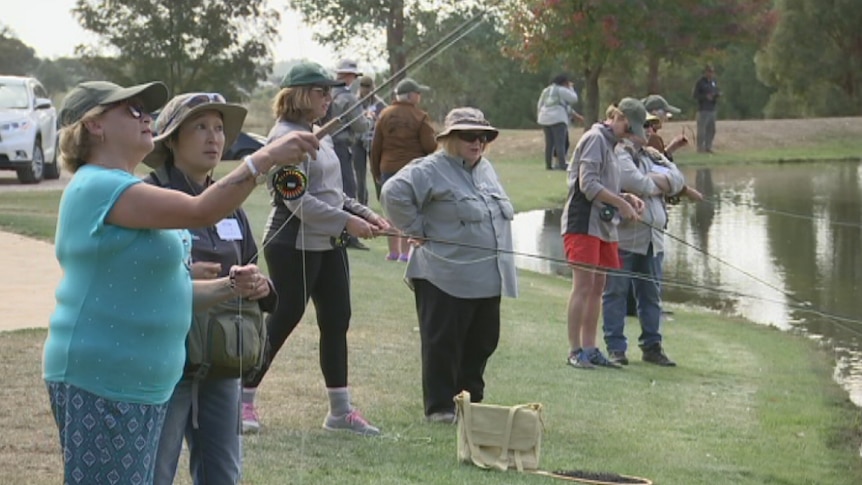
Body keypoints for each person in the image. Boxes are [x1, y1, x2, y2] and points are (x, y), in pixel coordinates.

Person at [43, 80, 317, 484]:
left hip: (139, 382)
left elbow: (164, 293)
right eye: (133, 110)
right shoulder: (98, 185)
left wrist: (229, 288)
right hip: (104, 379)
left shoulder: (124, 189)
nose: (147, 118)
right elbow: (201, 211)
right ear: (95, 125)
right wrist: (265, 159)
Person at [240, 61, 389, 436]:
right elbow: (298, 202)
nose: (329, 97)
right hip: (293, 244)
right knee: (285, 317)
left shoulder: (316, 133)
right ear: (302, 95)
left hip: (328, 241)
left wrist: (367, 214)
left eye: (330, 92)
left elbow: (333, 193)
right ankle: (241, 400)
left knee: (337, 319)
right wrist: (347, 222)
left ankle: (340, 411)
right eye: (322, 91)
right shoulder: (284, 139)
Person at [142, 93, 277, 485]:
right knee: (155, 471)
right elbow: (134, 277)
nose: (213, 138)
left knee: (223, 473)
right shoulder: (149, 196)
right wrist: (184, 274)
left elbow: (259, 275)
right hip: (167, 361)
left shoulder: (231, 204)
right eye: (199, 127)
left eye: (219, 128)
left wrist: (257, 284)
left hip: (223, 362)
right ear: (170, 139)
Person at [380, 107, 518, 423]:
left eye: (483, 136)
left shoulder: (486, 169)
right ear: (450, 138)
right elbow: (392, 192)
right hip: (444, 275)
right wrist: (415, 228)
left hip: (487, 276)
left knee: (483, 340)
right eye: (469, 135)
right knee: (442, 342)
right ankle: (440, 407)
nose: (477, 142)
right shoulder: (429, 168)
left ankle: (469, 401)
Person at [602, 116, 703, 368]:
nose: (649, 131)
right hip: (624, 238)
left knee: (651, 296)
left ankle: (652, 347)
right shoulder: (620, 152)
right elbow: (631, 181)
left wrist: (651, 183)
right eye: (644, 126)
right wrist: (657, 184)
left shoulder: (653, 156)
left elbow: (677, 179)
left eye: (650, 127)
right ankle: (616, 348)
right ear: (630, 128)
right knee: (615, 292)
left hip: (653, 240)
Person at [561, 98, 645, 370]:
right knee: (583, 287)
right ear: (619, 118)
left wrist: (627, 198)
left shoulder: (612, 145)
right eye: (629, 130)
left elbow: (604, 185)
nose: (630, 136)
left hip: (604, 226)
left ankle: (590, 347)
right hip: (583, 223)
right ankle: (575, 351)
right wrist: (620, 204)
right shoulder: (595, 138)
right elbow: (587, 185)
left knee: (598, 288)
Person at [370, 77, 437, 262]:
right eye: (418, 93)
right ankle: (406, 254)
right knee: (411, 210)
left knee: (390, 210)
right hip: (412, 171)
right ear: (411, 96)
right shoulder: (420, 116)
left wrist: (376, 172)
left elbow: (375, 147)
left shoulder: (384, 114)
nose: (420, 96)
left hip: (388, 168)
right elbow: (430, 146)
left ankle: (393, 252)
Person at [331, 58, 372, 249]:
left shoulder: (328, 93)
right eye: (353, 75)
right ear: (348, 76)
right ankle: (350, 235)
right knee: (348, 190)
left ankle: (337, 231)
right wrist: (369, 119)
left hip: (326, 145)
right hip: (341, 147)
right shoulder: (348, 98)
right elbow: (360, 125)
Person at [537, 73, 583, 170]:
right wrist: (571, 88)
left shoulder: (546, 90)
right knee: (559, 143)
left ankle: (548, 165)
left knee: (549, 143)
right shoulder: (561, 90)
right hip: (557, 118)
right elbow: (574, 99)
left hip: (544, 118)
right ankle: (562, 164)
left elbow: (540, 105)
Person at [353, 75, 387, 205]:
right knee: (360, 175)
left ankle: (382, 201)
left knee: (377, 173)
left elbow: (385, 119)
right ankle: (363, 203)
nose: (367, 90)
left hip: (374, 143)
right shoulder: (354, 103)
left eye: (369, 87)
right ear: (360, 87)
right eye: (364, 87)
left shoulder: (379, 104)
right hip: (357, 143)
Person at [641, 94, 688, 160]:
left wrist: (670, 148)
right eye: (665, 113)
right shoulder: (652, 137)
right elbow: (660, 167)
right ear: (654, 114)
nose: (666, 118)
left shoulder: (640, 134)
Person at [692, 65, 720, 153]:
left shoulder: (713, 82)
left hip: (712, 108)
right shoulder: (700, 82)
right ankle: (700, 148)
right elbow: (695, 95)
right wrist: (705, 97)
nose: (711, 74)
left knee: (711, 129)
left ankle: (708, 147)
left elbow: (716, 90)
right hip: (703, 109)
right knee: (702, 130)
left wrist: (716, 95)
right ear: (705, 72)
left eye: (712, 72)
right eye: (709, 72)